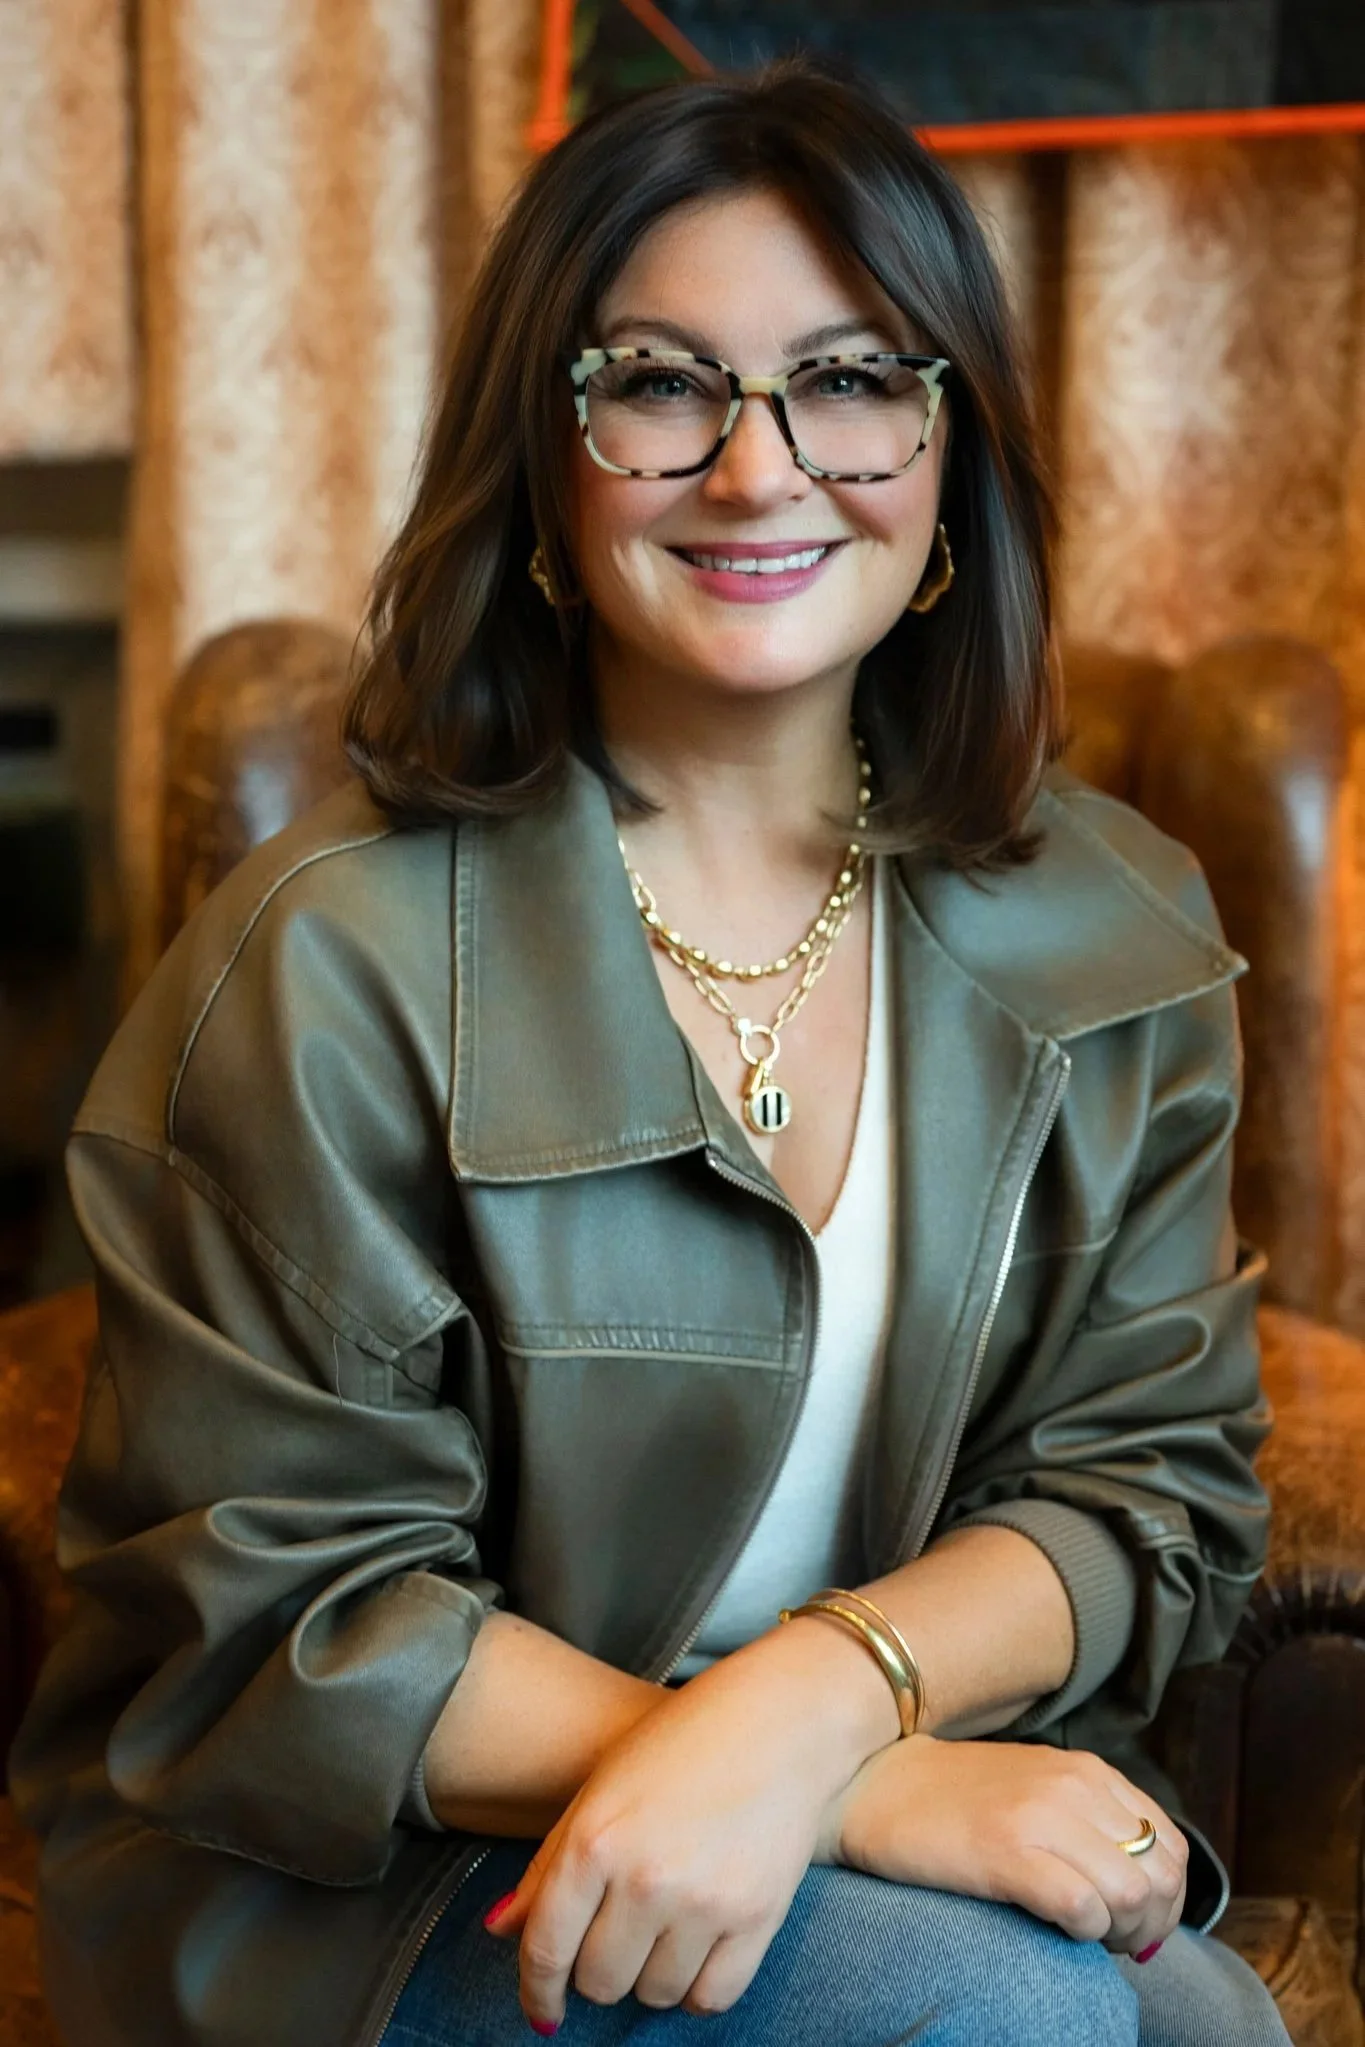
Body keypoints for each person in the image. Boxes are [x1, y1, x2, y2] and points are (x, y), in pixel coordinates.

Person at [10, 58, 1289, 2047]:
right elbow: (298, 1620)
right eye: (663, 383)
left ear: (952, 458)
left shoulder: (1110, 930)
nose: (761, 469)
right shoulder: (324, 961)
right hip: (356, 1871)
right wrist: (863, 1784)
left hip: (824, 1772)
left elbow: (1147, 1490)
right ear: (549, 456)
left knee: (1207, 2027)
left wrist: (808, 1709)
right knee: (1012, 2020)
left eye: (853, 380)